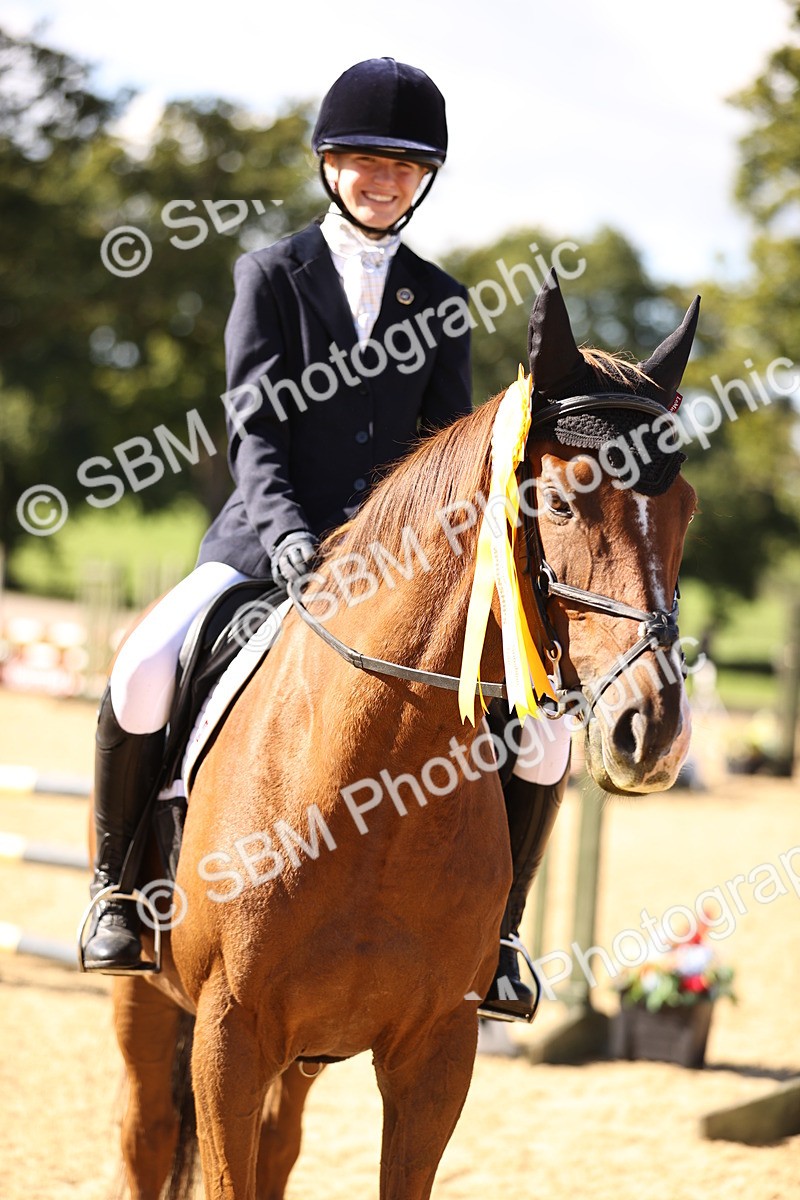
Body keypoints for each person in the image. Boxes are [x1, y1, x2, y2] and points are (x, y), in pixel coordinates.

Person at [82, 56, 570, 1023]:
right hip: (266, 541)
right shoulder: (269, 274)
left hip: (398, 569)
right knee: (142, 666)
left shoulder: (438, 300)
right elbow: (252, 431)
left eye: (403, 165)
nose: (381, 179)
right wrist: (296, 537)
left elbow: (442, 453)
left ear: (423, 179)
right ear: (328, 164)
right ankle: (118, 891)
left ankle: (501, 934)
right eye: (362, 160)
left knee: (545, 735)